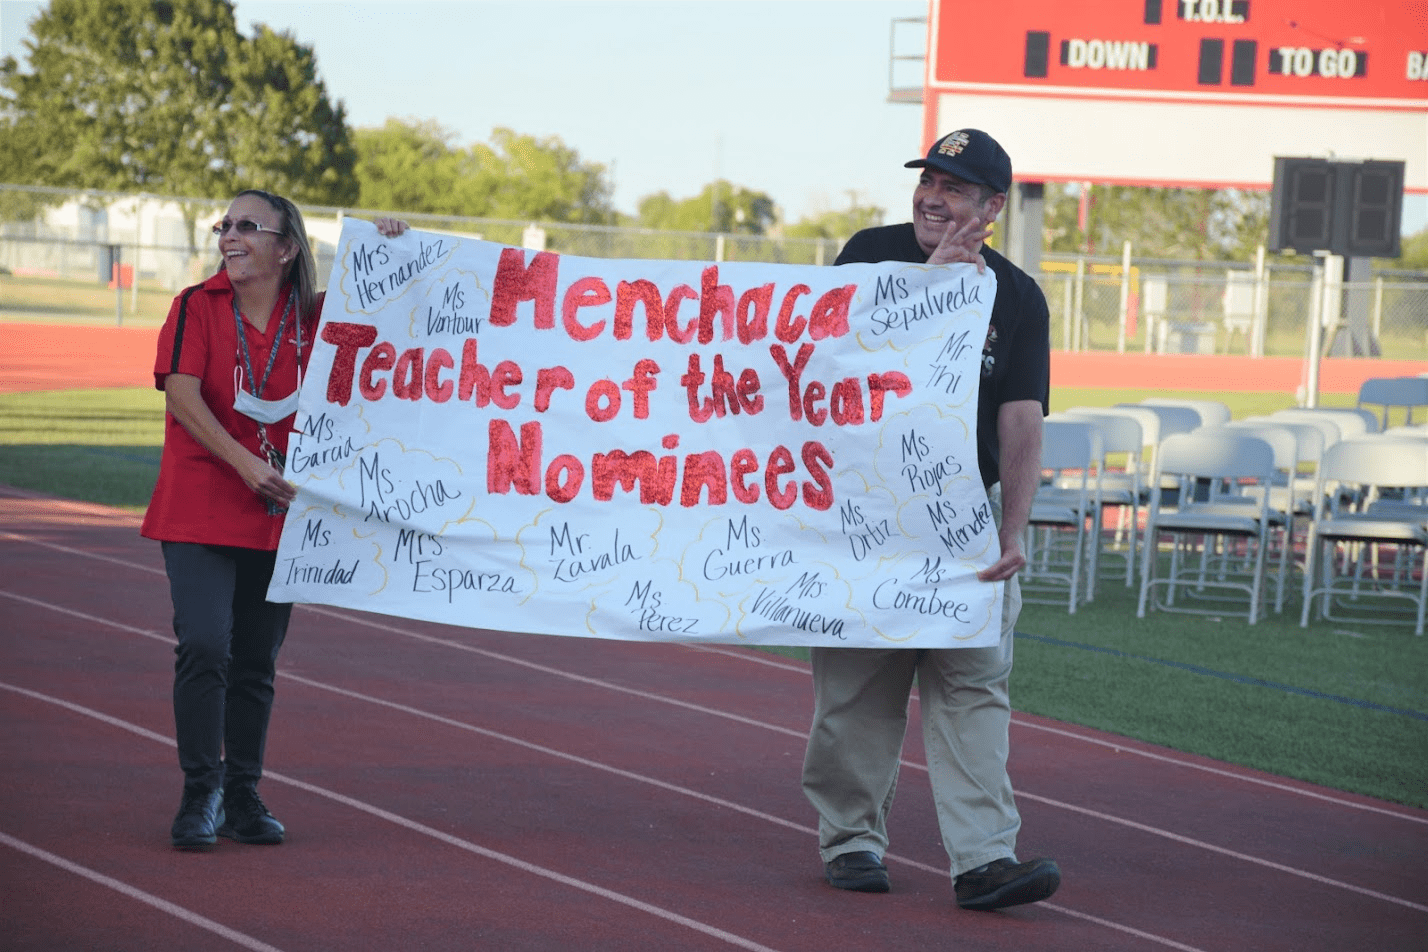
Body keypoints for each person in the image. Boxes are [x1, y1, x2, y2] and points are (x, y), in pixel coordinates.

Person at [800, 129, 1059, 910]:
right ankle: (850, 840)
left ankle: (985, 859)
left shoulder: (1018, 295)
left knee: (973, 688)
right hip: (867, 511)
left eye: (952, 185)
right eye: (927, 180)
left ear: (992, 206)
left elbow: (1021, 422)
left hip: (965, 523)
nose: (931, 195)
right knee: (856, 691)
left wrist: (1012, 529)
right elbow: (824, 359)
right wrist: (923, 287)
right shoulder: (867, 253)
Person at [142, 190, 406, 850]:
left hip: (278, 513)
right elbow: (181, 392)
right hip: (201, 505)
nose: (229, 235)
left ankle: (242, 793)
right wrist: (242, 463)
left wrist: (392, 245)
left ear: (286, 248)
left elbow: (402, 322)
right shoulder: (195, 307)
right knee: (205, 643)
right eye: (224, 225)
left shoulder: (316, 318)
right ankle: (200, 791)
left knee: (256, 659)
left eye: (246, 227)